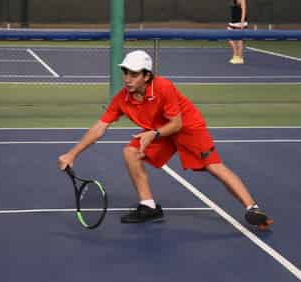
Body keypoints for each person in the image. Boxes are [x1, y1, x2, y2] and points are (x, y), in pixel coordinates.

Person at [57, 50, 272, 228]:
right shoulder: (122, 98)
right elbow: (99, 127)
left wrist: (154, 134)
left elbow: (176, 124)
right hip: (158, 130)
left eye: (133, 74)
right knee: (130, 152)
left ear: (147, 76)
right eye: (125, 73)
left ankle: (252, 208)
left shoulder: (163, 87)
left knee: (213, 166)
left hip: (187, 127)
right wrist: (72, 153)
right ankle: (149, 206)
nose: (127, 79)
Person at [228, 0, 248, 64]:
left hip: (240, 23)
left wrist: (242, 22)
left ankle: (240, 57)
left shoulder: (242, 0)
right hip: (233, 22)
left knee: (240, 40)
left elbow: (244, 11)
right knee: (229, 38)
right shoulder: (233, 1)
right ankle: (236, 55)